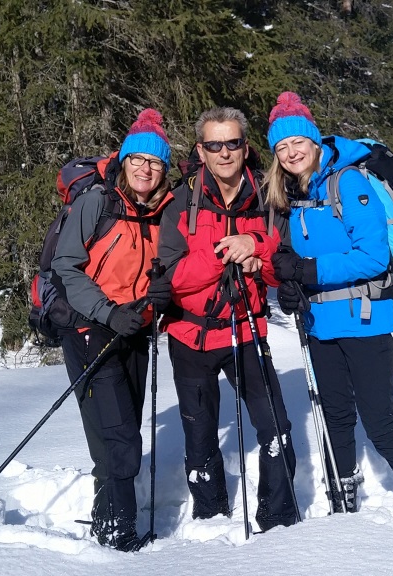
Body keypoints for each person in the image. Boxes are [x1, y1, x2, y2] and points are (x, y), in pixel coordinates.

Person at [263, 91, 393, 512]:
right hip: (320, 323)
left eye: (298, 142)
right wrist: (292, 287)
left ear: (314, 141)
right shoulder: (294, 193)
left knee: (379, 421)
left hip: (365, 320)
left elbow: (372, 257)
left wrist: (307, 270)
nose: (291, 152)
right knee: (336, 416)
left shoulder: (347, 181)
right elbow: (297, 259)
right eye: (282, 146)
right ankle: (342, 495)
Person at [155, 107, 299, 532]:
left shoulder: (268, 199)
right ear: (200, 151)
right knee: (199, 434)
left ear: (245, 147)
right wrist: (224, 253)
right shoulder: (180, 203)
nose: (224, 153)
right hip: (191, 335)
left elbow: (282, 269)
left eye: (232, 143)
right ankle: (211, 515)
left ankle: (278, 519)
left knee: (276, 427)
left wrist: (256, 249)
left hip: (247, 329)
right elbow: (170, 278)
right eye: (214, 145)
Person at [51, 108, 175, 551]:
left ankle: (107, 521)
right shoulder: (97, 203)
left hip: (136, 331)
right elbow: (66, 266)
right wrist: (107, 312)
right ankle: (121, 534)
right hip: (90, 328)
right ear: (124, 161)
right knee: (119, 435)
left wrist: (161, 297)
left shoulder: (164, 213)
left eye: (155, 162)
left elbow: (166, 270)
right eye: (138, 159)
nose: (145, 169)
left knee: (119, 432)